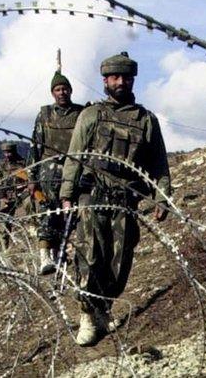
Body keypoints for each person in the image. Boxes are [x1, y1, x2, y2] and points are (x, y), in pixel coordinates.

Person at [59, 52, 171, 347]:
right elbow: (75, 156)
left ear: (132, 79)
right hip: (93, 197)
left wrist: (162, 197)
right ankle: (87, 314)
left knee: (119, 262)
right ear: (105, 80)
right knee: (90, 256)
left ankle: (104, 307)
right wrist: (67, 195)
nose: (120, 82)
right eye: (115, 77)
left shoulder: (145, 120)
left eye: (126, 77)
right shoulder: (91, 115)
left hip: (125, 201)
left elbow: (159, 163)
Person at [28, 70, 85, 275]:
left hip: (73, 170)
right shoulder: (44, 115)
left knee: (68, 213)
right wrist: (32, 177)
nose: (62, 93)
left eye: (65, 89)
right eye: (57, 89)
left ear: (70, 90)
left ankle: (61, 253)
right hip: (49, 173)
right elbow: (35, 147)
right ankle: (45, 256)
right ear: (53, 93)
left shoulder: (80, 114)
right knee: (49, 213)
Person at [0, 142, 28, 248]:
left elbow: (28, 178)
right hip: (6, 196)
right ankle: (5, 248)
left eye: (9, 152)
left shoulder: (22, 163)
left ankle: (23, 246)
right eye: (5, 152)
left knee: (23, 221)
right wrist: (2, 196)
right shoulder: (1, 164)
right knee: (4, 222)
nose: (7, 155)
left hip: (21, 196)